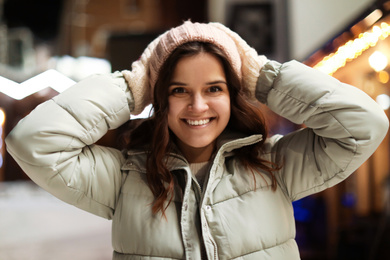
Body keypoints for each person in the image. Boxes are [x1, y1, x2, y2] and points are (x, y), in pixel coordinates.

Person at [5, 21, 389, 260]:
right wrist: (132, 86)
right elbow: (33, 142)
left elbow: (364, 124)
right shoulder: (125, 178)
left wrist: (262, 75)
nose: (198, 105)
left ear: (235, 92)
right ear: (159, 98)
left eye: (215, 88)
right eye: (178, 90)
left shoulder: (275, 165)